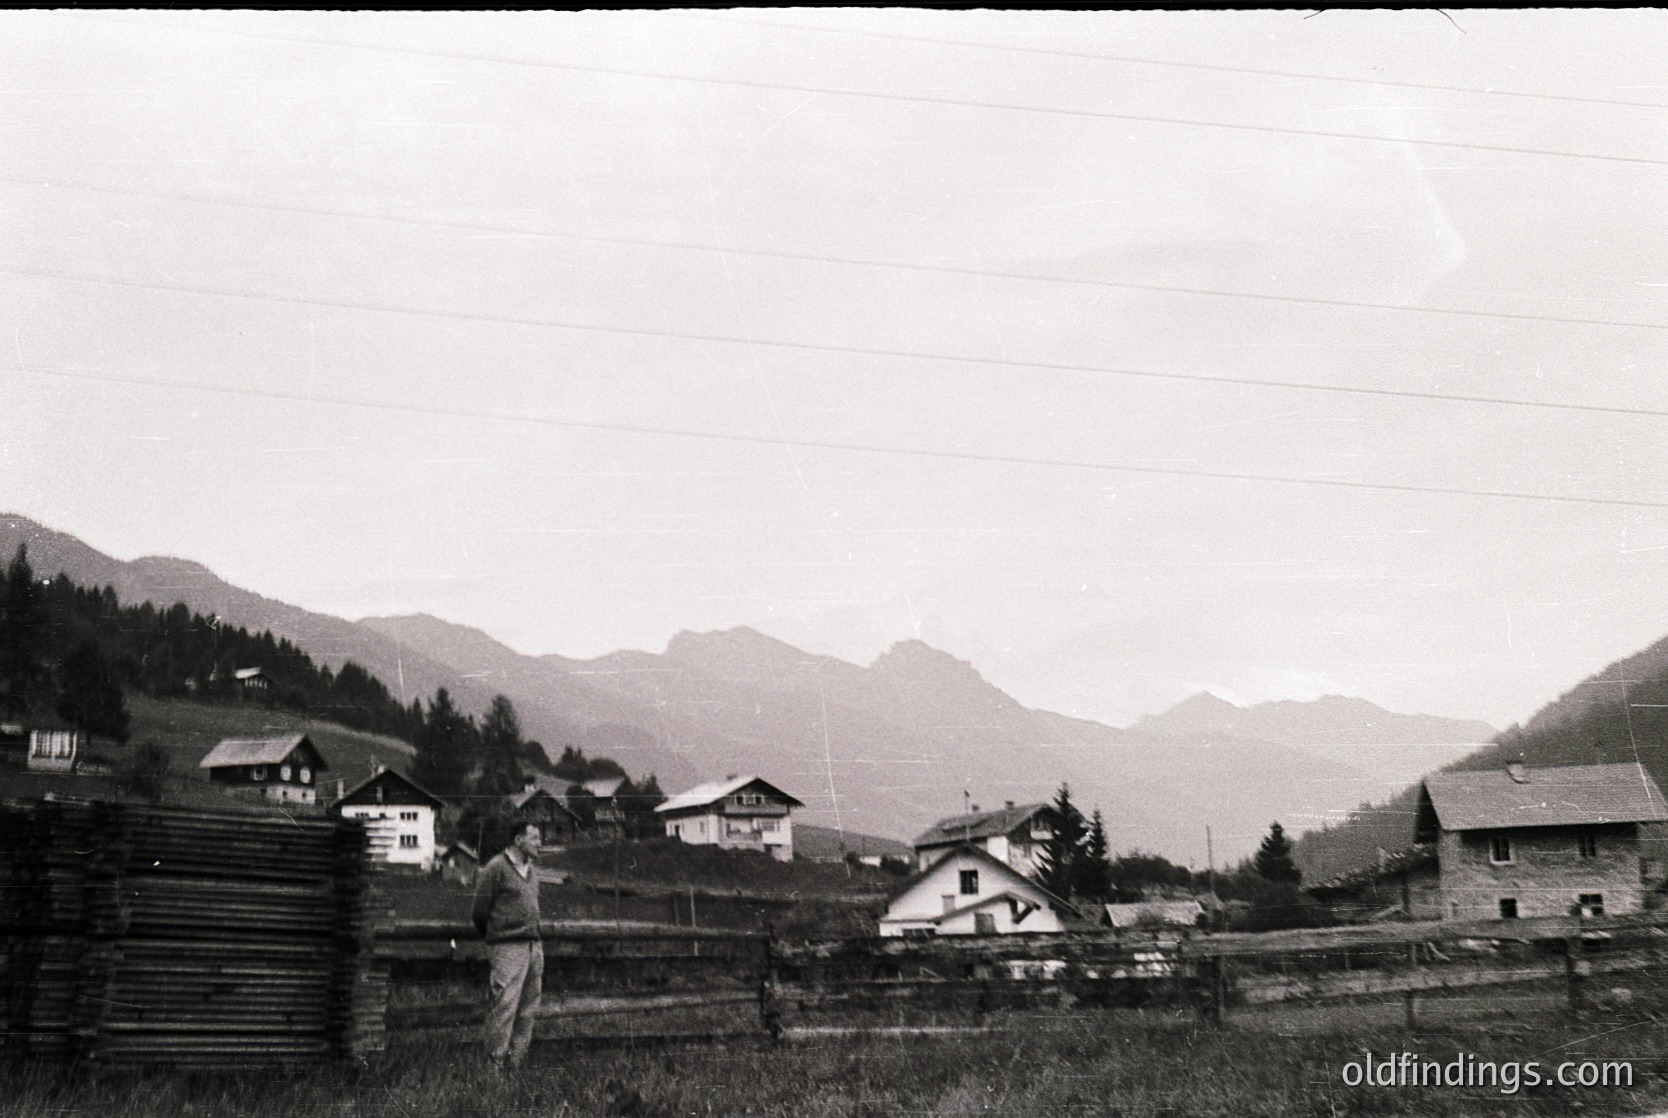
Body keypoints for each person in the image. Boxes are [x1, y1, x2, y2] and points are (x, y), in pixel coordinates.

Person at [471, 820, 544, 1069]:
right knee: (504, 1008)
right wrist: (498, 938)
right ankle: (494, 1069)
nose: (539, 843)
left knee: (527, 1009)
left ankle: (516, 1064)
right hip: (507, 948)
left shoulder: (532, 872)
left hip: (534, 947)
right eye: (534, 838)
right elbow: (479, 911)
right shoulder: (496, 868)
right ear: (518, 840)